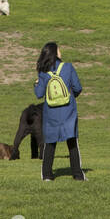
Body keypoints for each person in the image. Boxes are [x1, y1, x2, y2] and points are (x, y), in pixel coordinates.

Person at [33, 42, 85, 181]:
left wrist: (36, 82)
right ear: (55, 53)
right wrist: (71, 97)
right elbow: (78, 87)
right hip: (68, 110)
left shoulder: (43, 72)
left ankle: (47, 175)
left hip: (51, 113)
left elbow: (39, 94)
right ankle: (78, 175)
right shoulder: (67, 67)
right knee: (72, 142)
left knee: (50, 143)